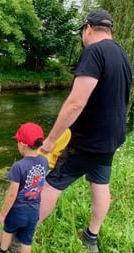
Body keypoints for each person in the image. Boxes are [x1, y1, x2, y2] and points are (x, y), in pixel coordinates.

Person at [39, 9, 132, 253]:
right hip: (112, 138)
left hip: (87, 141)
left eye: (82, 32)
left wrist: (50, 141)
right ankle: (91, 237)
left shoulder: (94, 52)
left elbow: (75, 103)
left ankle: (21, 235)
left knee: (51, 184)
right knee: (100, 184)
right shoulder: (122, 55)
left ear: (88, 28)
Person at [0, 122, 49, 253]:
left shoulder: (18, 166)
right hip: (34, 211)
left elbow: (12, 195)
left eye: (17, 141)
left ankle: (2, 251)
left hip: (17, 211)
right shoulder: (44, 161)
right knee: (26, 241)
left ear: (22, 144)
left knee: (8, 230)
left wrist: (2, 214)